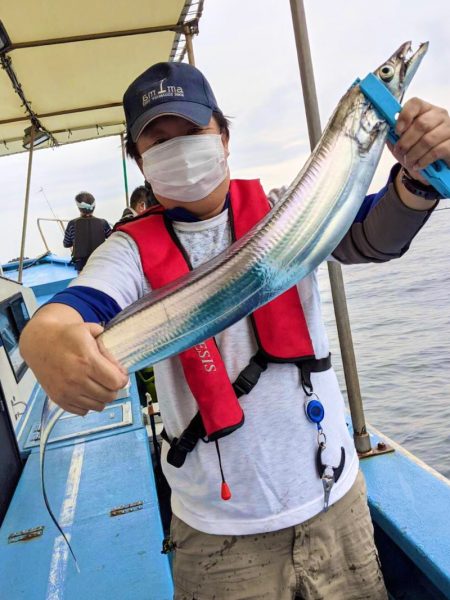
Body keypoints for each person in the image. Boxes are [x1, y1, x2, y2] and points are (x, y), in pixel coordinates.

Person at [20, 62, 450, 600]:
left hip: (336, 506)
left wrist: (417, 176)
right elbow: (75, 305)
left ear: (223, 136)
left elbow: (374, 234)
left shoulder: (284, 212)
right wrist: (43, 335)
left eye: (192, 131)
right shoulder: (126, 251)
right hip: (219, 543)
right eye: (158, 139)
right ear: (139, 161)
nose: (178, 148)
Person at [63, 191, 111, 272]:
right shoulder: (103, 223)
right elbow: (111, 239)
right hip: (100, 263)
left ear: (78, 208)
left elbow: (66, 244)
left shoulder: (72, 224)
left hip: (82, 266)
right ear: (94, 207)